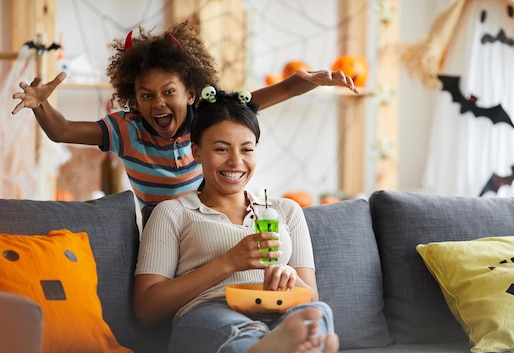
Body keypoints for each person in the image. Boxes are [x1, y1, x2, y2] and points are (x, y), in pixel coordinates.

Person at [11, 20, 358, 207]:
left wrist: (305, 80)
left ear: (191, 93)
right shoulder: (126, 129)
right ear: (133, 98)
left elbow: (258, 99)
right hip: (156, 226)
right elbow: (64, 131)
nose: (158, 103)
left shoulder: (206, 118)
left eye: (169, 93)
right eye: (146, 95)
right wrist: (40, 104)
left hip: (201, 216)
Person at [133, 87, 339, 353]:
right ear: (197, 151)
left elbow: (310, 294)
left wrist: (289, 279)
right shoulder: (173, 212)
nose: (236, 162)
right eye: (221, 149)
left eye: (247, 149)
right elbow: (146, 308)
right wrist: (228, 262)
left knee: (316, 311)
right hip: (207, 315)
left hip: (277, 311)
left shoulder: (286, 211)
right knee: (229, 326)